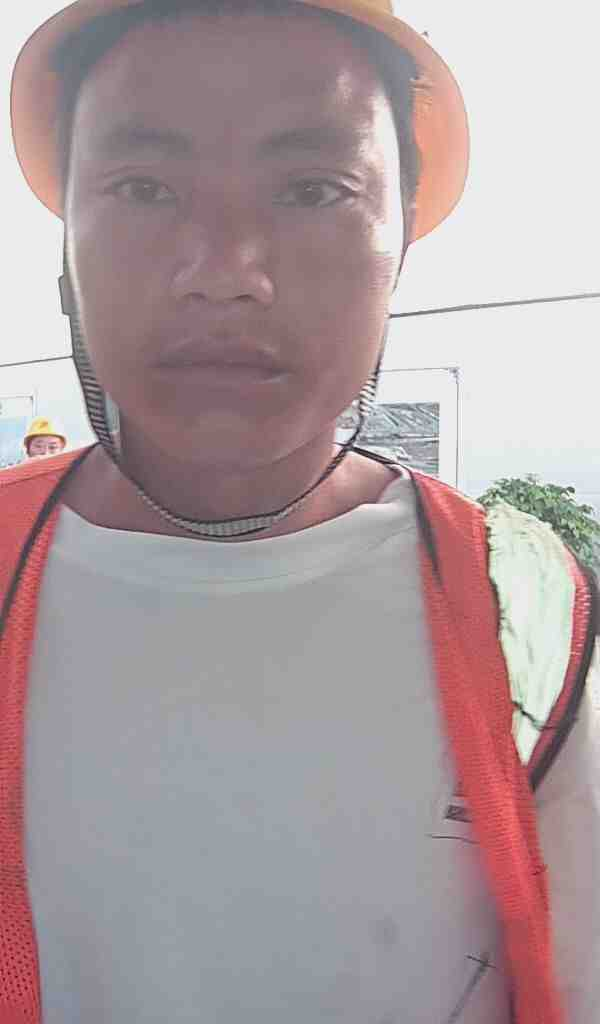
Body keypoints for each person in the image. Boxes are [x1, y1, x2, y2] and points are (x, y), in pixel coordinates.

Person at [3, 1, 598, 1021]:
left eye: (314, 189)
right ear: (67, 248)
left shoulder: (521, 603)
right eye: (144, 187)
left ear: (401, 247)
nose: (226, 273)